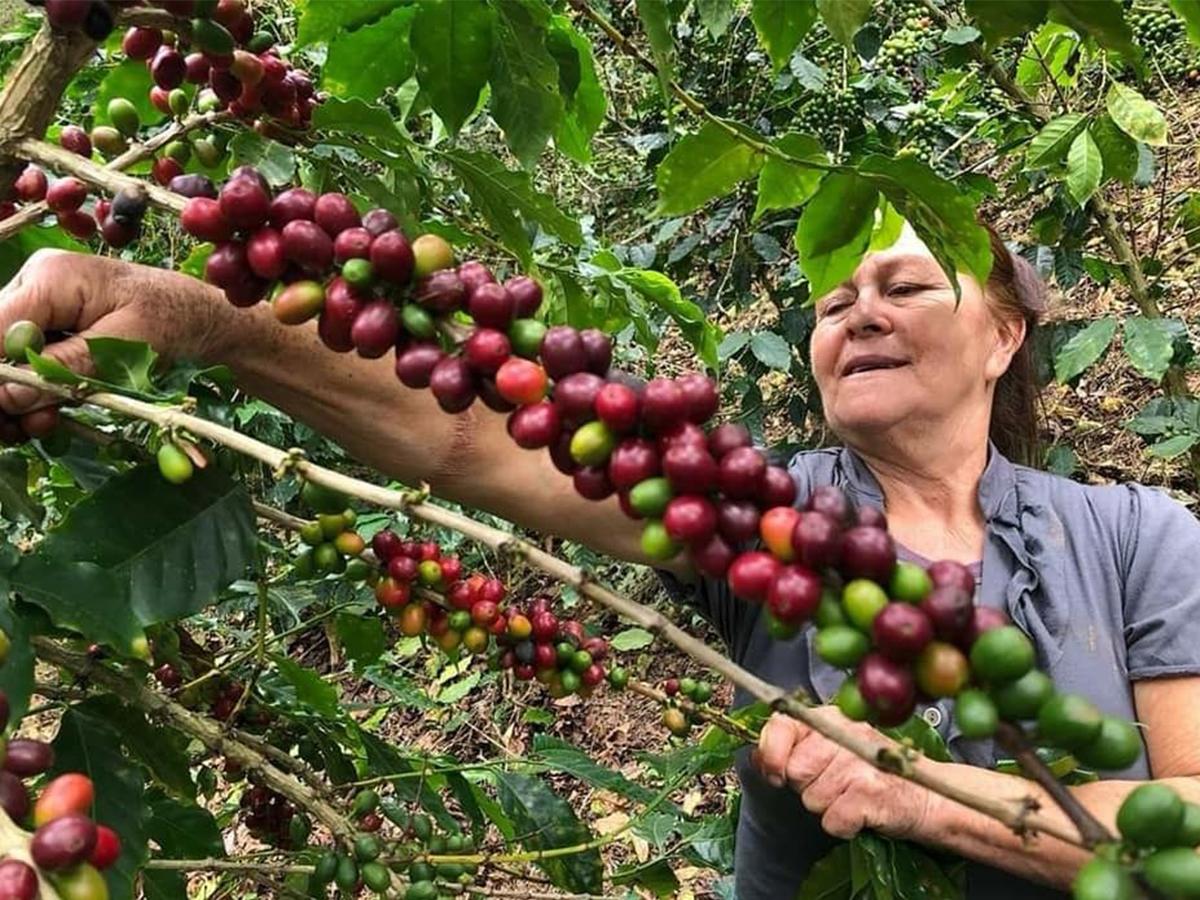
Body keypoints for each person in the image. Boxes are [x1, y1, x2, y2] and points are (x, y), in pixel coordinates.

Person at [1, 221, 1198, 900]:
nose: (855, 316)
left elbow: (1183, 829)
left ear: (1003, 331)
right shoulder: (767, 515)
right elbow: (471, 433)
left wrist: (917, 791)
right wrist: (180, 312)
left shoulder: (1140, 538)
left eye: (900, 286)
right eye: (831, 304)